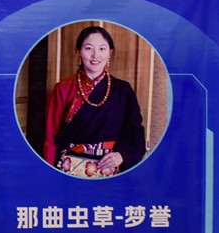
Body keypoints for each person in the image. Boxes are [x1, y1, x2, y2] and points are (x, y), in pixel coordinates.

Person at [43, 26, 146, 178]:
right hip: (70, 169)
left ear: (110, 53)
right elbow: (50, 138)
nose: (95, 55)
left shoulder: (123, 90)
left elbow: (135, 131)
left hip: (110, 170)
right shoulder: (63, 88)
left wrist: (122, 155)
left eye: (102, 49)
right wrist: (49, 175)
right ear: (79, 51)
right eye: (89, 48)